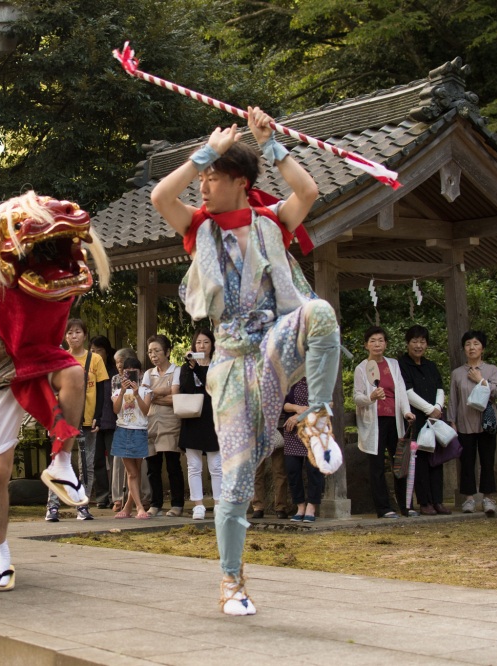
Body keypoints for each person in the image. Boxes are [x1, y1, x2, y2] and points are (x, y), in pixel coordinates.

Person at [151, 108, 341, 616]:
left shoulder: (271, 222)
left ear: (239, 182)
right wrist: (201, 156)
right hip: (232, 364)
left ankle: (316, 416)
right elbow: (160, 197)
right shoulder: (198, 229)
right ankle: (231, 581)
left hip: (274, 343)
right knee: (234, 476)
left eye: (212, 178)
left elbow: (309, 194)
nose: (203, 188)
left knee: (319, 312)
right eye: (204, 178)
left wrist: (269, 142)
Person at [45, 319, 108, 522]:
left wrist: (98, 416)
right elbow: (50, 390)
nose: (74, 336)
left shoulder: (95, 359)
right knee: (58, 460)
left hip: (88, 418)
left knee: (87, 465)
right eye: (70, 333)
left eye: (78, 332)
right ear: (65, 337)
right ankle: (52, 506)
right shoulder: (60, 358)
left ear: (85, 335)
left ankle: (82, 505)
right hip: (62, 419)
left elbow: (102, 390)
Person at [354, 326, 415, 519]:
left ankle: (406, 505)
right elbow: (357, 397)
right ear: (366, 345)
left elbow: (401, 391)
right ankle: (383, 508)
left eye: (380, 340)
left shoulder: (393, 364)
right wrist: (371, 397)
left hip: (394, 420)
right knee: (377, 465)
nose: (377, 344)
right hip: (374, 423)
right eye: (372, 340)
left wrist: (406, 412)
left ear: (386, 344)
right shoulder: (361, 368)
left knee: (400, 463)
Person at [449, 330, 497, 516]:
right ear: (464, 348)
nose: (472, 348)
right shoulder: (457, 373)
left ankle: (488, 498)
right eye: (468, 344)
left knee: (487, 461)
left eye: (476, 344)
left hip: (486, 423)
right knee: (467, 462)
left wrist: (480, 380)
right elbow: (453, 400)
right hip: (464, 422)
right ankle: (469, 499)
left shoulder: (491, 370)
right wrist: (452, 421)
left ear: (483, 348)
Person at [398, 325, 449, 516]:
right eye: (414, 341)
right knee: (419, 461)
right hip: (416, 420)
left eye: (422, 341)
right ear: (408, 343)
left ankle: (438, 500)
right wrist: (429, 410)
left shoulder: (431, 366)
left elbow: (440, 389)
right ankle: (424, 501)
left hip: (434, 420)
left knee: (436, 459)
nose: (418, 345)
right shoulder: (402, 365)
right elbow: (407, 392)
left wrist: (438, 408)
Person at [176, 329, 221, 520]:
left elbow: (213, 388)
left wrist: (199, 370)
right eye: (198, 343)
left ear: (212, 345)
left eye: (206, 342)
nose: (201, 346)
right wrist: (191, 367)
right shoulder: (186, 367)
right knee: (193, 465)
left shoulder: (218, 364)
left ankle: (219, 503)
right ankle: (198, 505)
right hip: (192, 418)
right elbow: (185, 389)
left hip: (213, 418)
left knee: (216, 464)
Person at [142, 334, 185, 517]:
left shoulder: (177, 371)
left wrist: (153, 394)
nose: (153, 355)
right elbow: (144, 398)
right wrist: (161, 396)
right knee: (153, 467)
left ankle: (177, 504)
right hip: (151, 424)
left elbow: (176, 398)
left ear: (167, 352)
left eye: (157, 350)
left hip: (171, 423)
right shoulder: (147, 373)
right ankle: (155, 504)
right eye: (150, 351)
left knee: (173, 465)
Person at [109, 348, 152, 512]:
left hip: (140, 431)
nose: (131, 377)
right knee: (132, 472)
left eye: (134, 373)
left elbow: (146, 410)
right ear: (123, 374)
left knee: (135, 472)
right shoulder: (117, 390)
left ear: (140, 374)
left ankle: (128, 507)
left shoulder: (146, 390)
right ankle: (139, 507)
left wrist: (136, 393)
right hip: (122, 431)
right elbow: (115, 409)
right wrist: (122, 391)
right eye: (128, 374)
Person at [281, 378, 324, 522]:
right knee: (292, 470)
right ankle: (300, 506)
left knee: (314, 470)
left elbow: (327, 404)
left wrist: (301, 415)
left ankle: (312, 506)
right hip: (292, 430)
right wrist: (296, 408)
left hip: (314, 429)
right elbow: (283, 403)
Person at [89, 335, 117, 508]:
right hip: (94, 421)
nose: (96, 354)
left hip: (113, 422)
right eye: (92, 351)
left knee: (115, 460)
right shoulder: (88, 370)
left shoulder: (115, 370)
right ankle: (102, 497)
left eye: (99, 350)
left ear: (107, 352)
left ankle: (116, 497)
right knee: (97, 460)